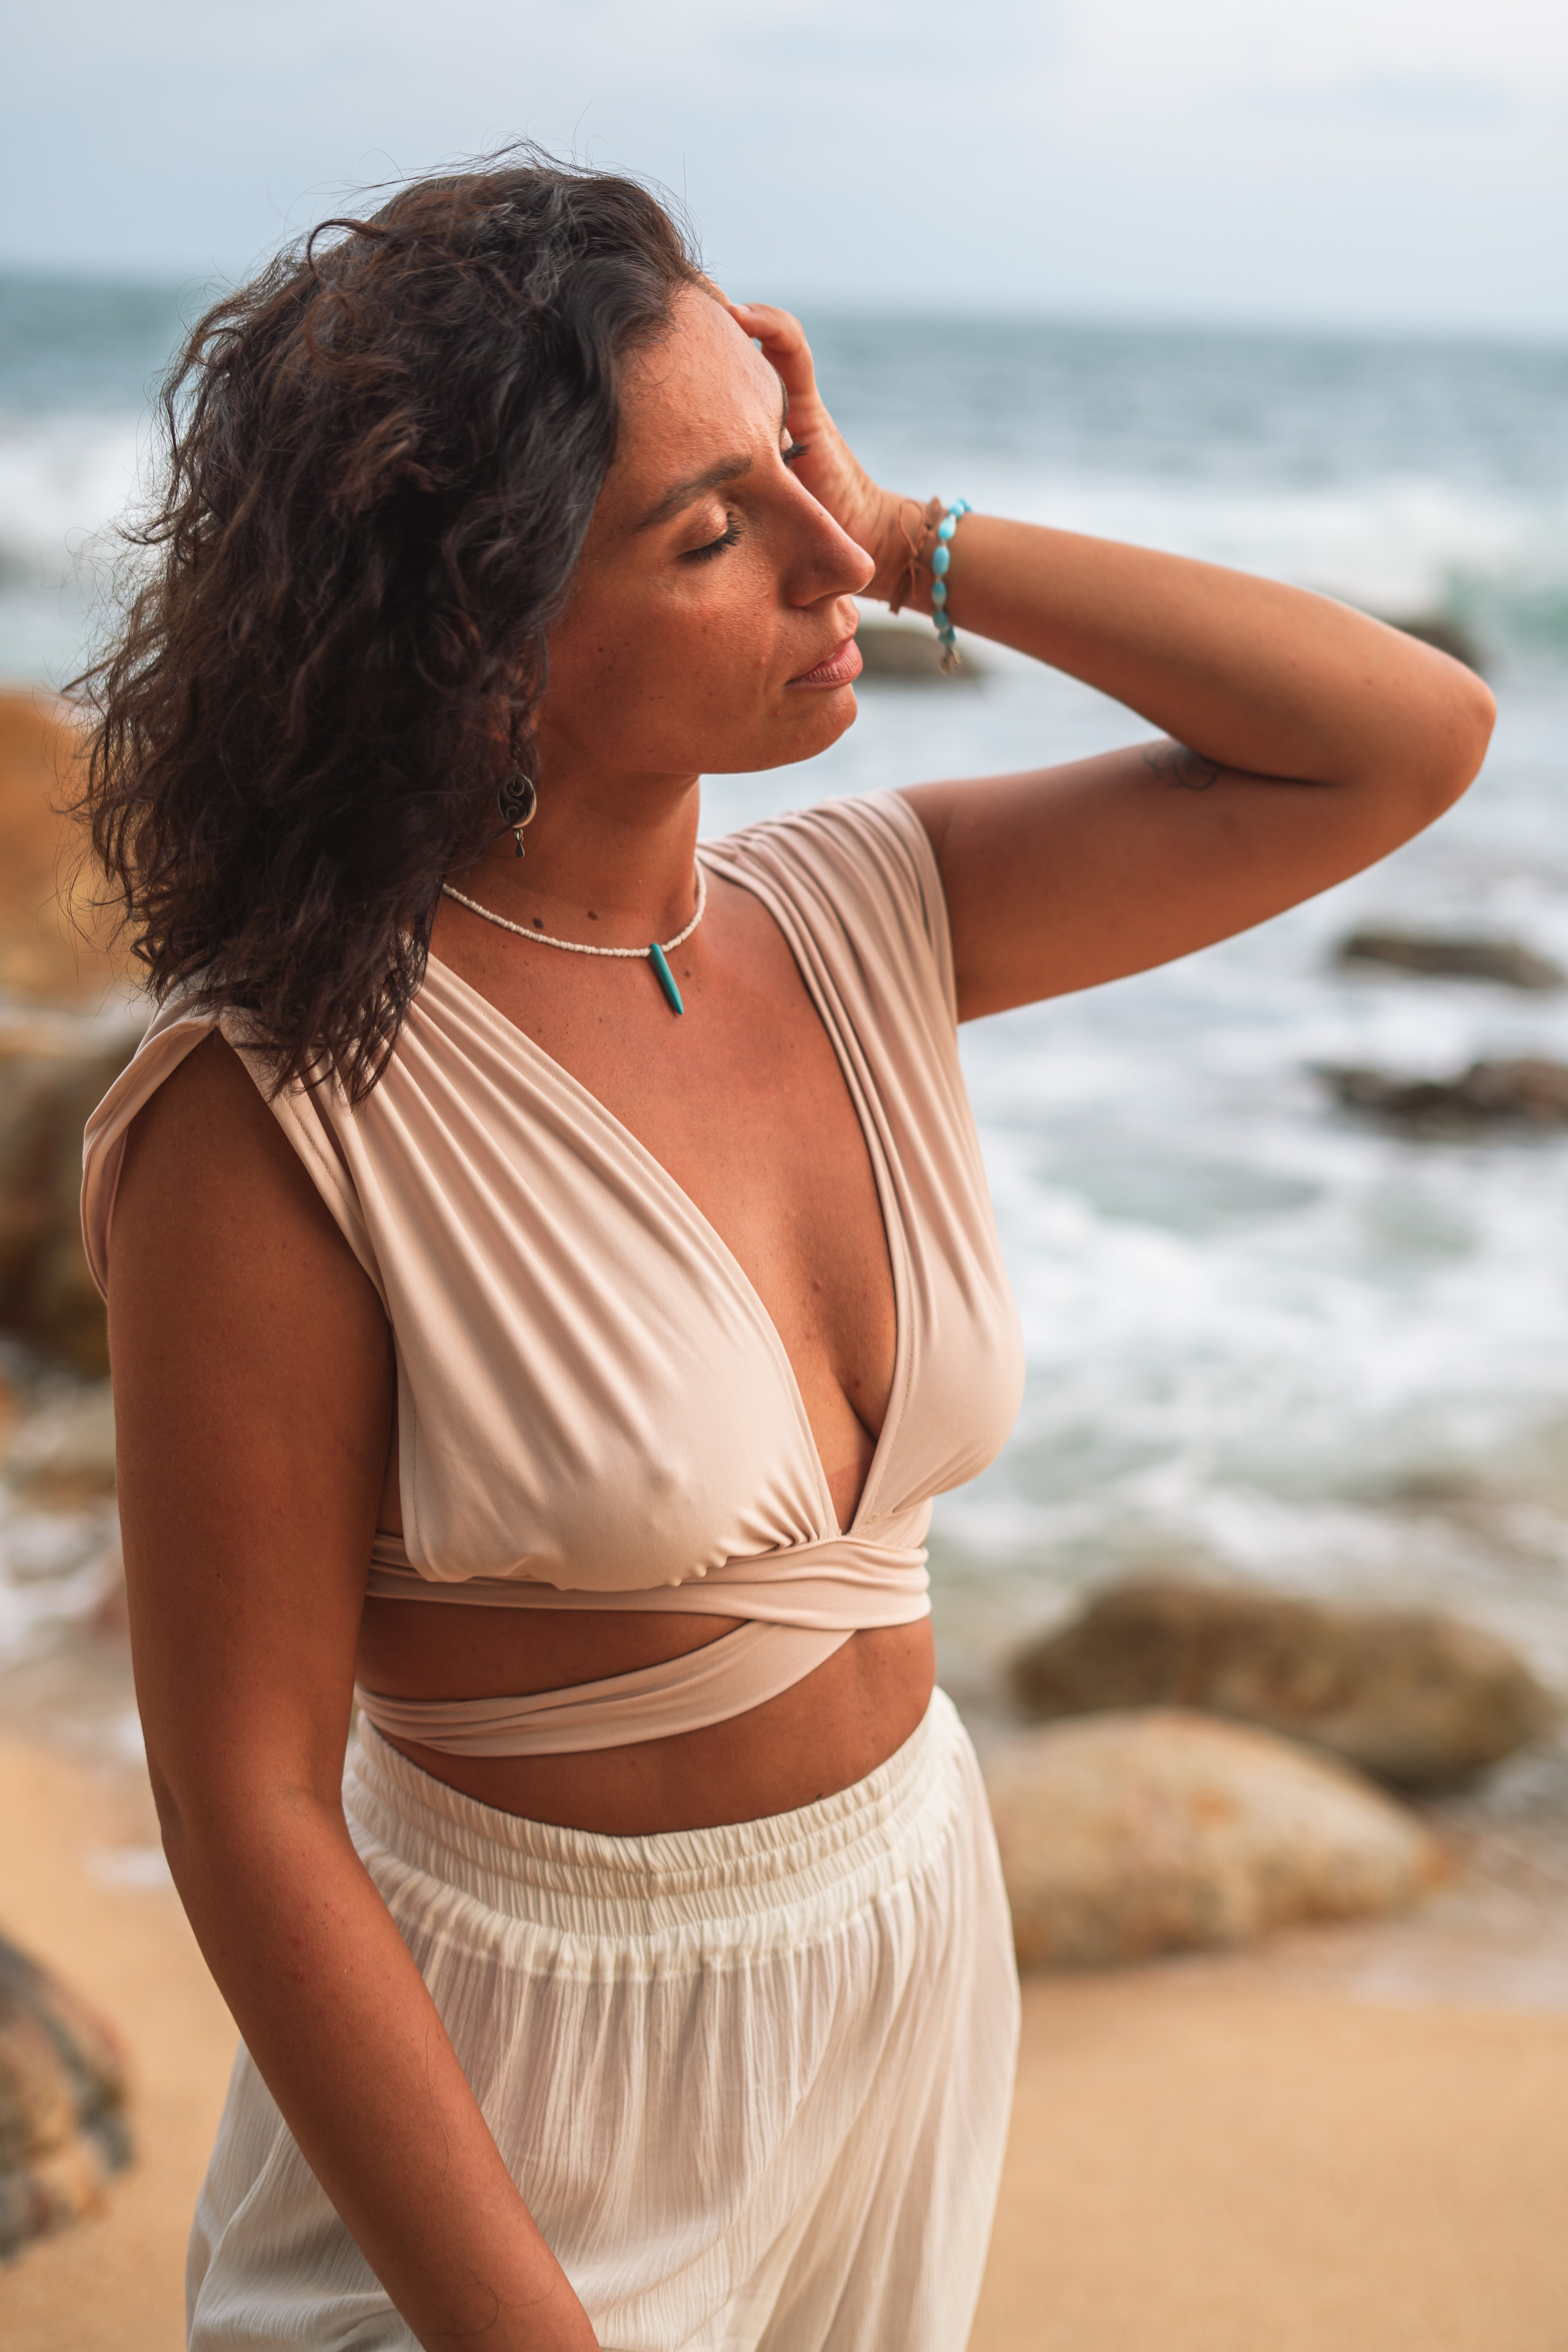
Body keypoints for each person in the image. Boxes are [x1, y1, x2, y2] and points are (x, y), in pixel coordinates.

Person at [75, 154, 1493, 2352]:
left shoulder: (871, 916)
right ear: (482, 640)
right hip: (532, 2083)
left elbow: (1408, 739)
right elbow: (248, 1807)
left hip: (902, 1972)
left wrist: (903, 522)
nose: (828, 561)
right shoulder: (279, 1109)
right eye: (715, 532)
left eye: (792, 469)